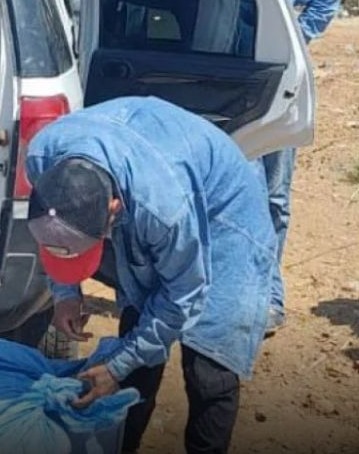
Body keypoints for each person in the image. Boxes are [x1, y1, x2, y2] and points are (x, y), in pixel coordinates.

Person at [64, 0, 341, 333]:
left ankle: (267, 298)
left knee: (272, 201)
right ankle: (193, 291)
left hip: (272, 92)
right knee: (213, 200)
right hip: (215, 95)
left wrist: (294, 45)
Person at [26, 96, 276, 454]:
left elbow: (184, 295)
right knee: (136, 335)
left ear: (113, 209)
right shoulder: (42, 156)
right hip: (149, 168)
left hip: (224, 215)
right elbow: (53, 232)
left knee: (208, 369)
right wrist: (65, 293)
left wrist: (117, 366)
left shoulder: (162, 210)